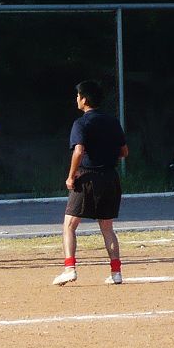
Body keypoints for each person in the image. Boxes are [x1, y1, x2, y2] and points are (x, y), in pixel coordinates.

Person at [52, 80, 129, 286]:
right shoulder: (113, 122)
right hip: (110, 177)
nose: (76, 99)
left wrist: (71, 175)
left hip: (87, 177)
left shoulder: (81, 123)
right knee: (107, 227)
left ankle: (69, 269)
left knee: (69, 225)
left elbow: (79, 151)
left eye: (78, 96)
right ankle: (116, 272)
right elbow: (124, 152)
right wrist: (105, 154)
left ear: (84, 99)